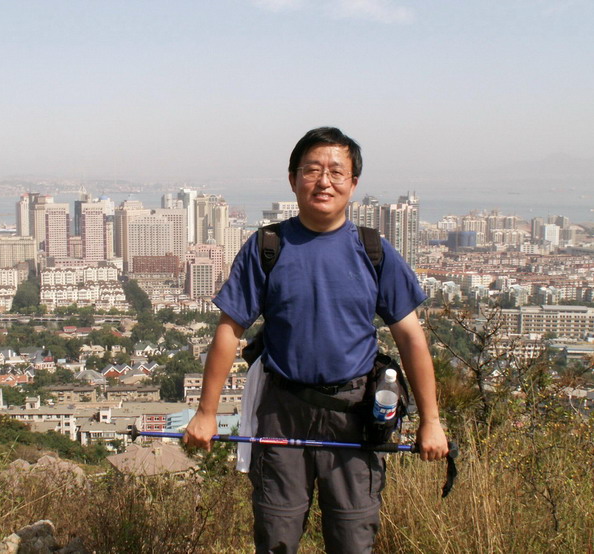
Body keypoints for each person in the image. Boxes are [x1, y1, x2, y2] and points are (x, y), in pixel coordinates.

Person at [183, 127, 448, 553]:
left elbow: (411, 338)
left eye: (336, 172)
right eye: (312, 170)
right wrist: (205, 412)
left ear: (353, 184)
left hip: (355, 412)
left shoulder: (373, 250)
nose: (324, 181)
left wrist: (431, 421)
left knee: (352, 537)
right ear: (293, 179)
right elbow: (229, 331)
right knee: (277, 534)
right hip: (282, 409)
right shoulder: (268, 246)